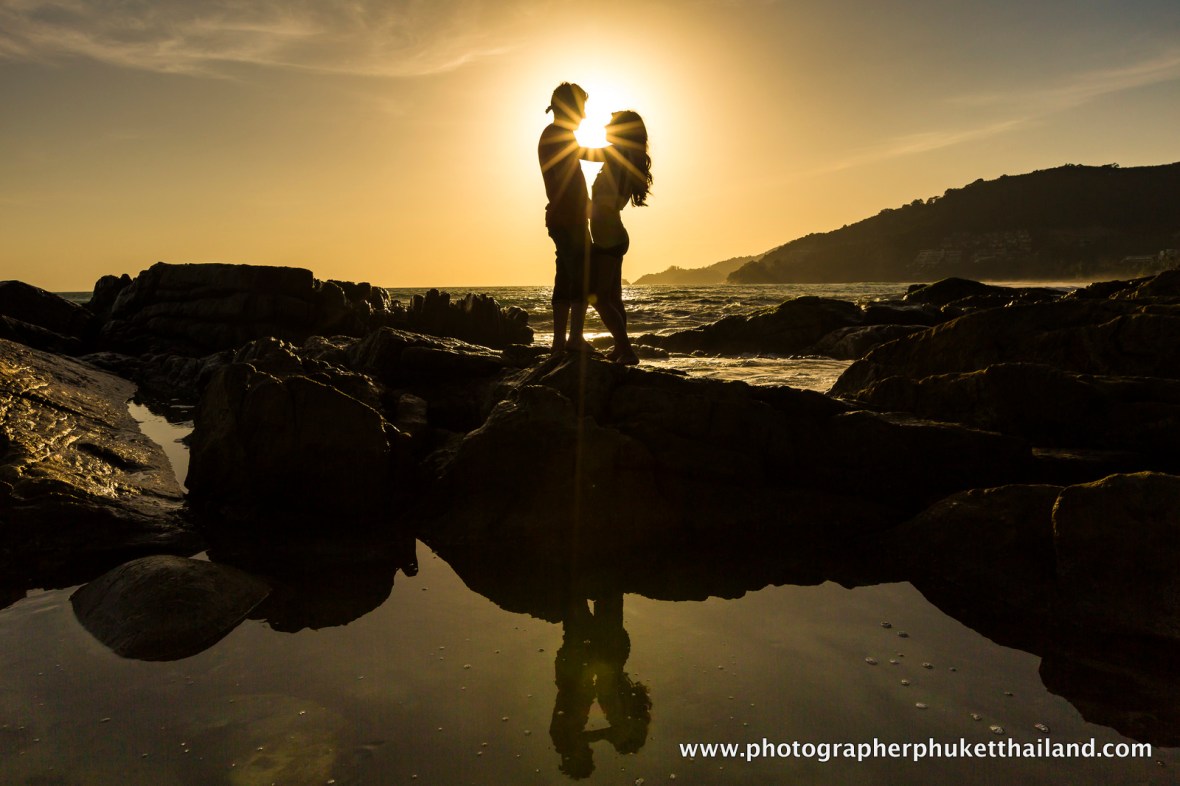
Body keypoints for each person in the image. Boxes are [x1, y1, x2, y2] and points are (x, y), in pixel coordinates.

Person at [538, 82, 607, 355]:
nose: (585, 116)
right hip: (569, 218)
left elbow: (574, 170)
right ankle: (574, 340)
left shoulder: (555, 134)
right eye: (581, 110)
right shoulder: (558, 135)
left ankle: (559, 344)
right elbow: (571, 175)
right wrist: (618, 153)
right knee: (582, 278)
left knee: (565, 278)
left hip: (562, 217)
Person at [588, 111, 652, 365]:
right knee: (613, 298)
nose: (605, 125)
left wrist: (562, 141)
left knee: (598, 297)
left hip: (608, 236)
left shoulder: (616, 155)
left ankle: (627, 350)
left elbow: (583, 153)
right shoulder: (626, 158)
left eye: (611, 124)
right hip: (614, 234)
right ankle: (620, 348)